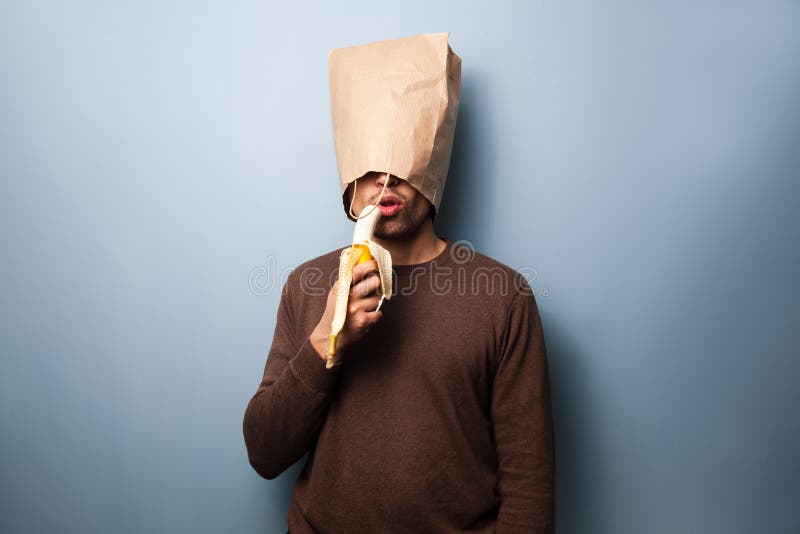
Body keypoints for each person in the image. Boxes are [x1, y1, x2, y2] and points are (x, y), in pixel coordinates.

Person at [243, 33, 554, 533]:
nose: (384, 182)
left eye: (403, 163)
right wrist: (328, 340)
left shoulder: (503, 298)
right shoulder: (308, 285)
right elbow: (264, 452)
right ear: (348, 176)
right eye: (368, 166)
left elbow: (529, 485)